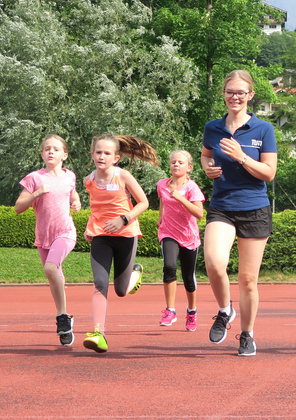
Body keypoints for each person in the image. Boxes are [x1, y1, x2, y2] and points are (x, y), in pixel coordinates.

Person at [201, 69, 277, 357]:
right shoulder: (212, 127)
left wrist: (241, 157)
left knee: (247, 280)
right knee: (214, 261)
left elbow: (269, 173)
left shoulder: (263, 130)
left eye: (240, 93)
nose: (235, 97)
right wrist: (208, 168)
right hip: (222, 205)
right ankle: (224, 310)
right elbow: (206, 154)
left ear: (250, 96)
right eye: (230, 92)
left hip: (255, 208)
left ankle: (247, 335)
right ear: (223, 94)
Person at [82, 134, 157, 353]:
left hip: (126, 234)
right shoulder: (89, 180)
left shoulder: (123, 176)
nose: (101, 156)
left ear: (116, 158)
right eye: (98, 152)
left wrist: (123, 219)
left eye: (106, 153)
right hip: (101, 236)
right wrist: (89, 227)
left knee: (122, 290)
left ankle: (135, 272)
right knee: (100, 282)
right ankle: (99, 333)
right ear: (92, 155)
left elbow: (144, 203)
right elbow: (95, 208)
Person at [15, 134, 82, 346]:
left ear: (65, 154)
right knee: (54, 276)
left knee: (51, 269)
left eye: (55, 149)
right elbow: (18, 207)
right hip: (44, 237)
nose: (50, 152)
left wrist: (77, 202)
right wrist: (36, 194)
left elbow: (73, 194)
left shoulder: (69, 176)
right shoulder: (35, 178)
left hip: (65, 232)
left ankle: (62, 318)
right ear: (42, 154)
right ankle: (65, 323)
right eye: (47, 149)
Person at [156, 150, 205, 331]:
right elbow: (162, 200)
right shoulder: (162, 184)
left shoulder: (192, 188)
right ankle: (170, 310)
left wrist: (180, 198)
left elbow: (199, 214)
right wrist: (161, 217)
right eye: (173, 162)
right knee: (169, 267)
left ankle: (191, 311)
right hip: (168, 233)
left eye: (181, 162)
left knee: (188, 277)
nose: (176, 164)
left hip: (189, 237)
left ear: (189, 168)